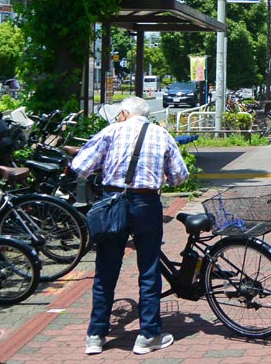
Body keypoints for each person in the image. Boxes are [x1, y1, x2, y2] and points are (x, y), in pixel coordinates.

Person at [70, 96, 189, 355]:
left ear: (124, 113)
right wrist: (161, 176)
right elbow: (180, 176)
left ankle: (95, 335)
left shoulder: (111, 131)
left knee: (106, 269)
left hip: (113, 202)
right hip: (147, 203)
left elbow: (80, 166)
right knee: (148, 268)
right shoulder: (162, 134)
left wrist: (106, 167)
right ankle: (148, 336)